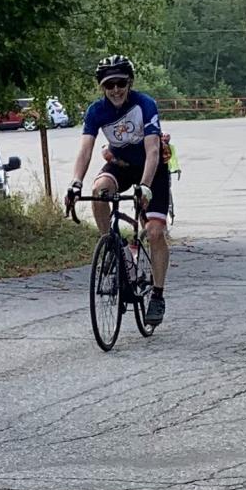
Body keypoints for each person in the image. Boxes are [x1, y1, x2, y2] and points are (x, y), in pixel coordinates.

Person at [65, 55, 170, 326]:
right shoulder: (96, 111)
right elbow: (86, 149)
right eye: (109, 84)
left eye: (120, 83)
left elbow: (153, 150)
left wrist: (145, 187)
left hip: (152, 168)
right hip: (121, 165)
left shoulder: (144, 104)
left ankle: (157, 295)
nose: (115, 89)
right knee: (99, 189)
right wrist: (76, 182)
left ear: (129, 82)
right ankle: (111, 246)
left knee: (155, 232)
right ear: (102, 87)